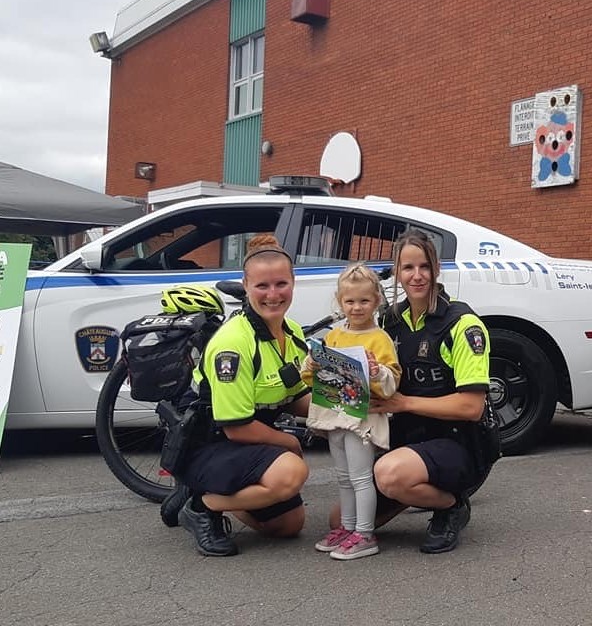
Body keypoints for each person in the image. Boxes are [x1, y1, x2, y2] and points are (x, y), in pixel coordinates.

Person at [165, 234, 311, 557]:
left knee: (289, 525)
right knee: (292, 472)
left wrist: (342, 409)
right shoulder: (233, 344)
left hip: (249, 446)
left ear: (293, 283)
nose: (273, 295)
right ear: (245, 286)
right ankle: (201, 505)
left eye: (281, 284)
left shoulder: (293, 333)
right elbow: (237, 427)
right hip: (211, 444)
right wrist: (291, 443)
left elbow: (295, 396)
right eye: (262, 286)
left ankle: (215, 494)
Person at [368, 229, 491, 554]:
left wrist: (403, 402)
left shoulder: (462, 324)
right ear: (397, 271)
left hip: (458, 441)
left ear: (436, 269)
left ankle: (451, 505)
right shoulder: (390, 321)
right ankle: (409, 488)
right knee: (343, 520)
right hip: (409, 440)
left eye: (424, 266)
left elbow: (471, 407)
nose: (417, 275)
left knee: (389, 475)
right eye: (408, 268)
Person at [301, 263, 401, 560]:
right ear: (340, 301)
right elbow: (312, 377)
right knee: (343, 477)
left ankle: (364, 533)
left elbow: (392, 381)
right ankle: (348, 528)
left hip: (364, 419)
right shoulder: (334, 336)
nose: (357, 308)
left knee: (360, 477)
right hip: (337, 415)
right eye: (350, 301)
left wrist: (376, 371)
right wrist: (312, 365)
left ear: (377, 301)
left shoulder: (379, 338)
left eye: (364, 301)